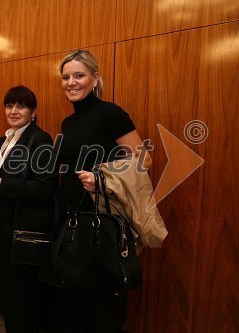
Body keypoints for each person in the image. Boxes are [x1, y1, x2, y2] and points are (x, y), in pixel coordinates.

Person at [54, 49, 152, 332]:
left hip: (103, 218)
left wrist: (102, 179)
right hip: (73, 217)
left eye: (79, 75)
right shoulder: (69, 122)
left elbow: (144, 159)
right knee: (74, 302)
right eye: (66, 77)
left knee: (103, 305)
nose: (71, 82)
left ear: (94, 79)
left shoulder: (111, 113)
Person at [0, 85, 57, 333]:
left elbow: (45, 187)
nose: (14, 110)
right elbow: (1, 183)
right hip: (4, 225)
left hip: (25, 228)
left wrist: (2, 182)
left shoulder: (40, 139)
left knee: (22, 292)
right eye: (9, 105)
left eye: (21, 106)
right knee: (8, 289)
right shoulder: (3, 140)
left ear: (33, 111)